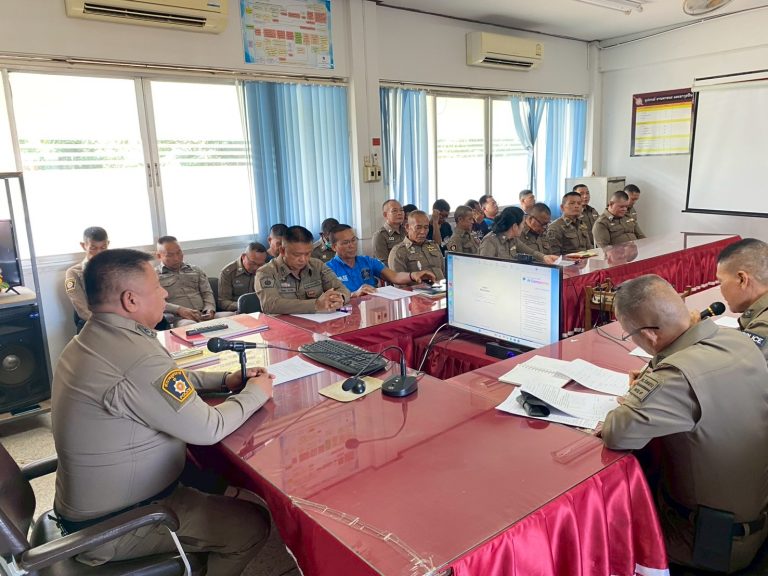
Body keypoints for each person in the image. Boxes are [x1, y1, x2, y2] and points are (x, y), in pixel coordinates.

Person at [52, 248, 274, 574]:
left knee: (209, 475)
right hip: (118, 524)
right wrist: (257, 393)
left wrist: (224, 379)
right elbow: (208, 429)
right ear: (130, 300)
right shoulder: (134, 356)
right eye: (157, 287)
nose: (165, 294)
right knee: (252, 526)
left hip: (95, 507)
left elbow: (164, 381)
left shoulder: (97, 338)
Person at [600, 274, 768, 573]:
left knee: (601, 532)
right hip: (753, 518)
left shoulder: (675, 378)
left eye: (630, 335)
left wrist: (644, 390)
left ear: (649, 335)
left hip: (709, 542)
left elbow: (617, 433)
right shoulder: (737, 340)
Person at [255, 225, 351, 314]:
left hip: (317, 323)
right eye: (297, 255)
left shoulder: (317, 265)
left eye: (307, 254)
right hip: (283, 325)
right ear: (282, 251)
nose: (303, 259)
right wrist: (316, 305)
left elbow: (342, 289)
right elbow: (270, 304)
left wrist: (339, 298)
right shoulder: (266, 272)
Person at [327, 225, 435, 296]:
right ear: (334, 247)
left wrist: (413, 275)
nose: (351, 245)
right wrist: (354, 294)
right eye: (345, 243)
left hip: (370, 309)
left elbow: (395, 276)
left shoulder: (367, 261)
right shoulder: (327, 269)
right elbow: (327, 298)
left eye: (353, 240)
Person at [713, 238, 768, 363]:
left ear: (742, 279)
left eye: (721, 281)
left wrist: (694, 334)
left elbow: (727, 364)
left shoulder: (764, 326)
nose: (720, 289)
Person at [156, 236, 231, 327]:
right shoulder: (154, 277)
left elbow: (207, 292)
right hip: (180, 319)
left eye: (179, 253)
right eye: (170, 255)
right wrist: (179, 310)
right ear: (159, 256)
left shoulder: (195, 270)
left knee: (233, 317)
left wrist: (210, 309)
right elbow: (156, 302)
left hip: (203, 314)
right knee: (191, 326)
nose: (176, 258)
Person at [65, 226, 109, 333]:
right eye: (93, 248)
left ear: (108, 244)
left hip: (114, 322)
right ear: (83, 245)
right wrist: (106, 326)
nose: (99, 253)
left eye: (103, 248)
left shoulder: (116, 269)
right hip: (90, 323)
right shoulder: (74, 273)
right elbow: (82, 309)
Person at [388, 210, 445, 282]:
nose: (423, 232)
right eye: (418, 227)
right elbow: (399, 284)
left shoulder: (434, 246)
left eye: (426, 227)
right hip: (418, 289)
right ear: (407, 227)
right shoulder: (399, 252)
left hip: (442, 287)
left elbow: (443, 272)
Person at [218, 241, 268, 312]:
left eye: (260, 265)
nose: (256, 268)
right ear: (243, 257)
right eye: (253, 263)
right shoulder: (228, 273)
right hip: (237, 311)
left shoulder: (267, 269)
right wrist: (243, 306)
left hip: (262, 309)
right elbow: (223, 302)